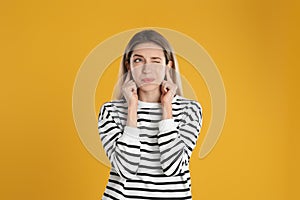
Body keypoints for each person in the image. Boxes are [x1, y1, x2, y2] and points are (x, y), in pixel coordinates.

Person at [97, 29, 203, 200]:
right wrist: (132, 107)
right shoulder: (111, 111)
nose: (147, 70)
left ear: (168, 66)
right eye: (139, 60)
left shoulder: (189, 110)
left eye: (156, 61)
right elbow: (125, 169)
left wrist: (166, 108)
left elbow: (173, 167)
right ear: (129, 66)